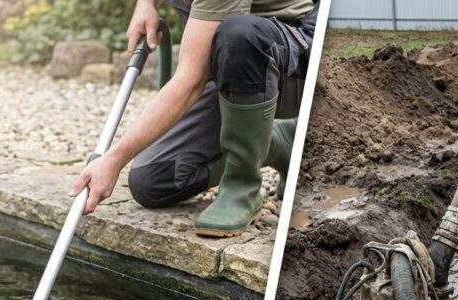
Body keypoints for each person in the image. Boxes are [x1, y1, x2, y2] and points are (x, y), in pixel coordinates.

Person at [70, 0, 317, 237]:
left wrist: (113, 160)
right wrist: (145, 5)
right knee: (154, 179)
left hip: (291, 61)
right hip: (229, 64)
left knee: (239, 34)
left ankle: (241, 188)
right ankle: (278, 141)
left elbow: (190, 81)